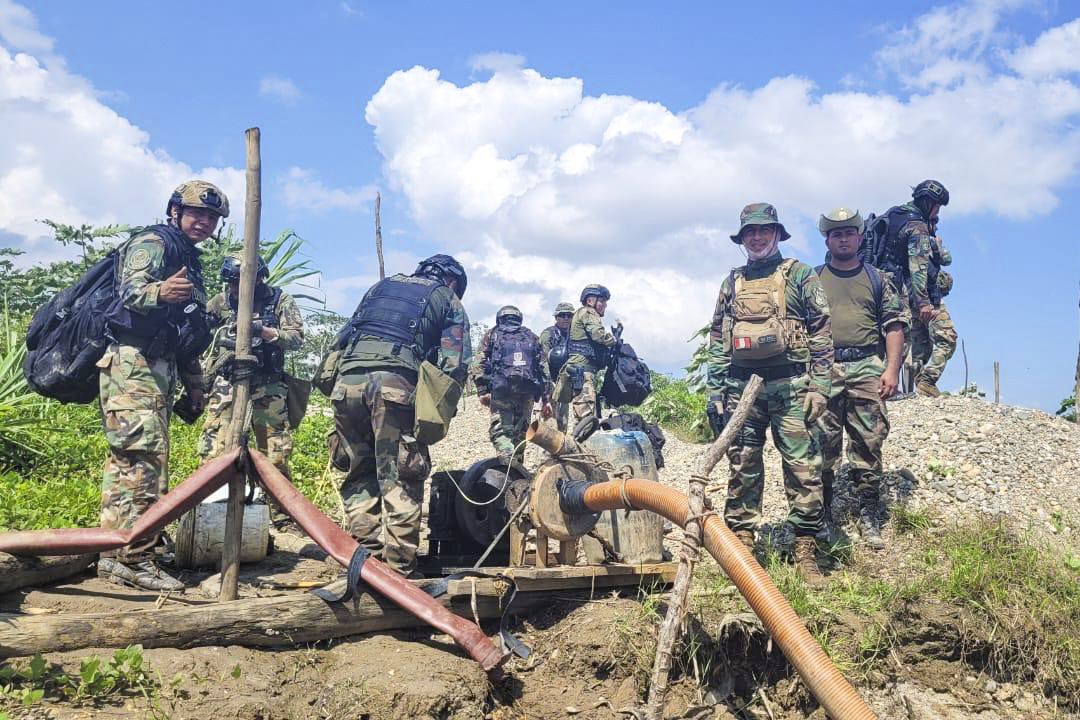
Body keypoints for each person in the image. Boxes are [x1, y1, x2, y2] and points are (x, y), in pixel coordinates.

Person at [97, 180, 228, 590]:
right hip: (133, 365)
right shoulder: (154, 242)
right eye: (196, 213)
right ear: (175, 211)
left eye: (211, 217)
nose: (204, 222)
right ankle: (132, 558)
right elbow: (129, 291)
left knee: (141, 460)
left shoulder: (189, 256)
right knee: (139, 459)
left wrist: (194, 382)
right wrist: (160, 290)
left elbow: (185, 331)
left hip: (158, 367)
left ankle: (124, 550)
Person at [706, 203, 833, 587]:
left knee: (803, 469)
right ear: (742, 239)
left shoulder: (800, 275)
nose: (757, 238)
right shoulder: (732, 282)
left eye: (764, 231)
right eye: (750, 233)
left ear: (777, 234)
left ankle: (805, 549)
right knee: (742, 467)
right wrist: (715, 390)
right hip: (741, 388)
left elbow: (823, 331)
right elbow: (718, 336)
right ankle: (742, 545)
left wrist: (821, 386)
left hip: (792, 387)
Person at [331, 254, 470, 577]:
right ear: (452, 282)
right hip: (393, 387)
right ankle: (399, 571)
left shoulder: (380, 288)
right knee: (401, 474)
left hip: (346, 384)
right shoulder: (446, 298)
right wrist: (438, 408)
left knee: (359, 472)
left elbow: (342, 338)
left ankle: (361, 562)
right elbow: (454, 363)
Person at [814, 208, 906, 549]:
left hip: (867, 364)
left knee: (869, 442)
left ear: (859, 238)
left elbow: (894, 325)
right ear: (827, 239)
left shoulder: (878, 278)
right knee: (822, 443)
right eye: (836, 234)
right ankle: (822, 516)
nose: (843, 238)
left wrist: (892, 369)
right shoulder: (813, 279)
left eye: (849, 233)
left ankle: (869, 514)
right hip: (825, 366)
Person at [198, 255, 305, 481]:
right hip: (227, 382)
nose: (236, 288)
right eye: (232, 282)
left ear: (258, 279)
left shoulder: (279, 300)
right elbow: (200, 335)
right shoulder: (221, 302)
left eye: (241, 281)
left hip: (267, 384)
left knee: (275, 452)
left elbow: (296, 338)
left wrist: (267, 333)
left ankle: (278, 513)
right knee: (213, 447)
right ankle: (209, 506)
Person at [474, 305, 552, 464]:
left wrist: (482, 390)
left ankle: (506, 468)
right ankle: (517, 469)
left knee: (502, 431)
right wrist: (546, 399)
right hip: (527, 391)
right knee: (521, 432)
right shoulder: (531, 336)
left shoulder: (493, 334)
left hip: (502, 389)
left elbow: (477, 363)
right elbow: (544, 369)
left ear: (500, 318)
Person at [555, 285, 617, 432]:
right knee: (586, 419)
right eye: (602, 301)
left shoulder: (580, 313)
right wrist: (614, 340)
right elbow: (598, 334)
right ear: (590, 301)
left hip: (582, 371)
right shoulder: (588, 312)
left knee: (586, 417)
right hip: (582, 372)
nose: (605, 305)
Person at [911, 233, 957, 397]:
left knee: (919, 343)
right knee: (947, 339)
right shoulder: (924, 237)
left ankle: (915, 387)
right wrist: (938, 244)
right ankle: (927, 381)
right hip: (928, 297)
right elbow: (947, 259)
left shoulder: (899, 238)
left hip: (908, 297)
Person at [539, 302, 574, 430]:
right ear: (556, 317)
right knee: (549, 419)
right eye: (562, 315)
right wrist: (547, 385)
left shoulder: (575, 335)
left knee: (563, 421)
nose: (566, 318)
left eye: (569, 315)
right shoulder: (548, 334)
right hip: (551, 380)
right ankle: (545, 448)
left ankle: (560, 446)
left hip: (566, 382)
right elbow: (542, 360)